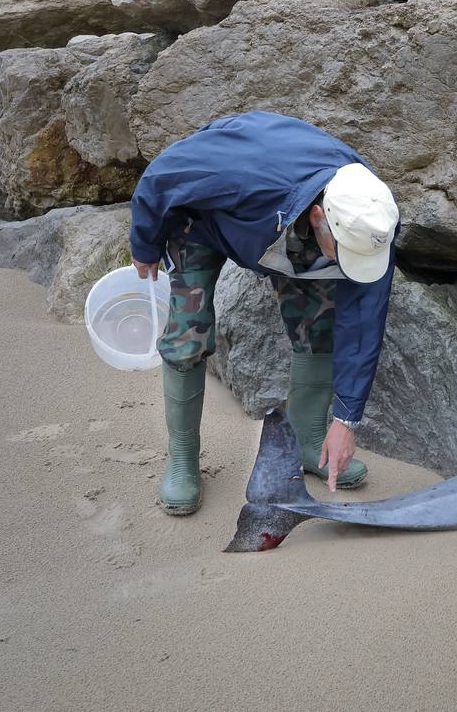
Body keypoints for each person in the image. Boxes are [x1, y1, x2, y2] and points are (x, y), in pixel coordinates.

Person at [127, 111, 399, 515]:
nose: (352, 264)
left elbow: (364, 320)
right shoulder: (240, 169)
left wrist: (347, 421)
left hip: (282, 231)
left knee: (321, 322)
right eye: (344, 255)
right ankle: (183, 460)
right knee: (187, 335)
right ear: (321, 219)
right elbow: (161, 176)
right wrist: (144, 244)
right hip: (200, 222)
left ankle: (309, 442)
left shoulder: (370, 217)